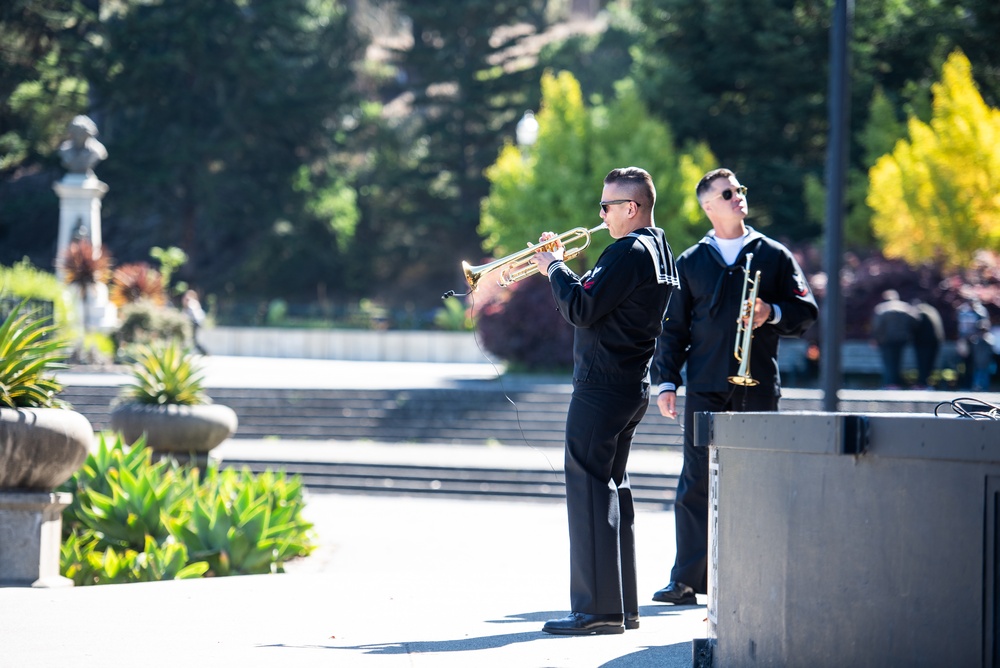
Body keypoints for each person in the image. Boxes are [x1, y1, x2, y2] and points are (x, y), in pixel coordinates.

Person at [649, 168, 818, 606]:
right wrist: (666, 382)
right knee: (694, 481)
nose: (738, 196)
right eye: (728, 193)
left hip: (758, 384)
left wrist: (772, 311)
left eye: (740, 189)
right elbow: (672, 330)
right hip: (704, 386)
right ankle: (686, 578)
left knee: (760, 480)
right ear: (708, 206)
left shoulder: (774, 254)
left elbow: (806, 311)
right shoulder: (690, 262)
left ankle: (757, 573)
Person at [529, 166, 678, 635]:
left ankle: (595, 611)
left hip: (602, 386)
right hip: (628, 385)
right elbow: (596, 302)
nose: (600, 215)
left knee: (589, 491)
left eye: (607, 206)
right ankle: (620, 608)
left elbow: (581, 307)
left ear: (631, 208)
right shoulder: (658, 249)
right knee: (614, 491)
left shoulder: (628, 251)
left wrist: (552, 266)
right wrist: (562, 269)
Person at [870, 290, 918, 389]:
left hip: (886, 340)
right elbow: (915, 321)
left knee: (888, 362)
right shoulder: (905, 308)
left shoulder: (882, 308)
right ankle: (896, 383)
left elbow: (877, 326)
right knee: (898, 361)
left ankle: (890, 384)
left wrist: (875, 338)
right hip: (901, 339)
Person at [911, 299, 944, 388]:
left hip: (923, 343)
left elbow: (916, 327)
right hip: (934, 342)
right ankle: (925, 382)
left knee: (923, 364)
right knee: (929, 364)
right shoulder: (932, 311)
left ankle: (922, 383)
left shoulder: (921, 314)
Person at [182, 289, 209, 355]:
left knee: (194, 340)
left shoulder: (192, 303)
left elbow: (191, 314)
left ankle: (204, 352)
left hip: (194, 323)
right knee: (193, 340)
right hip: (194, 323)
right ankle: (204, 352)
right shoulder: (193, 303)